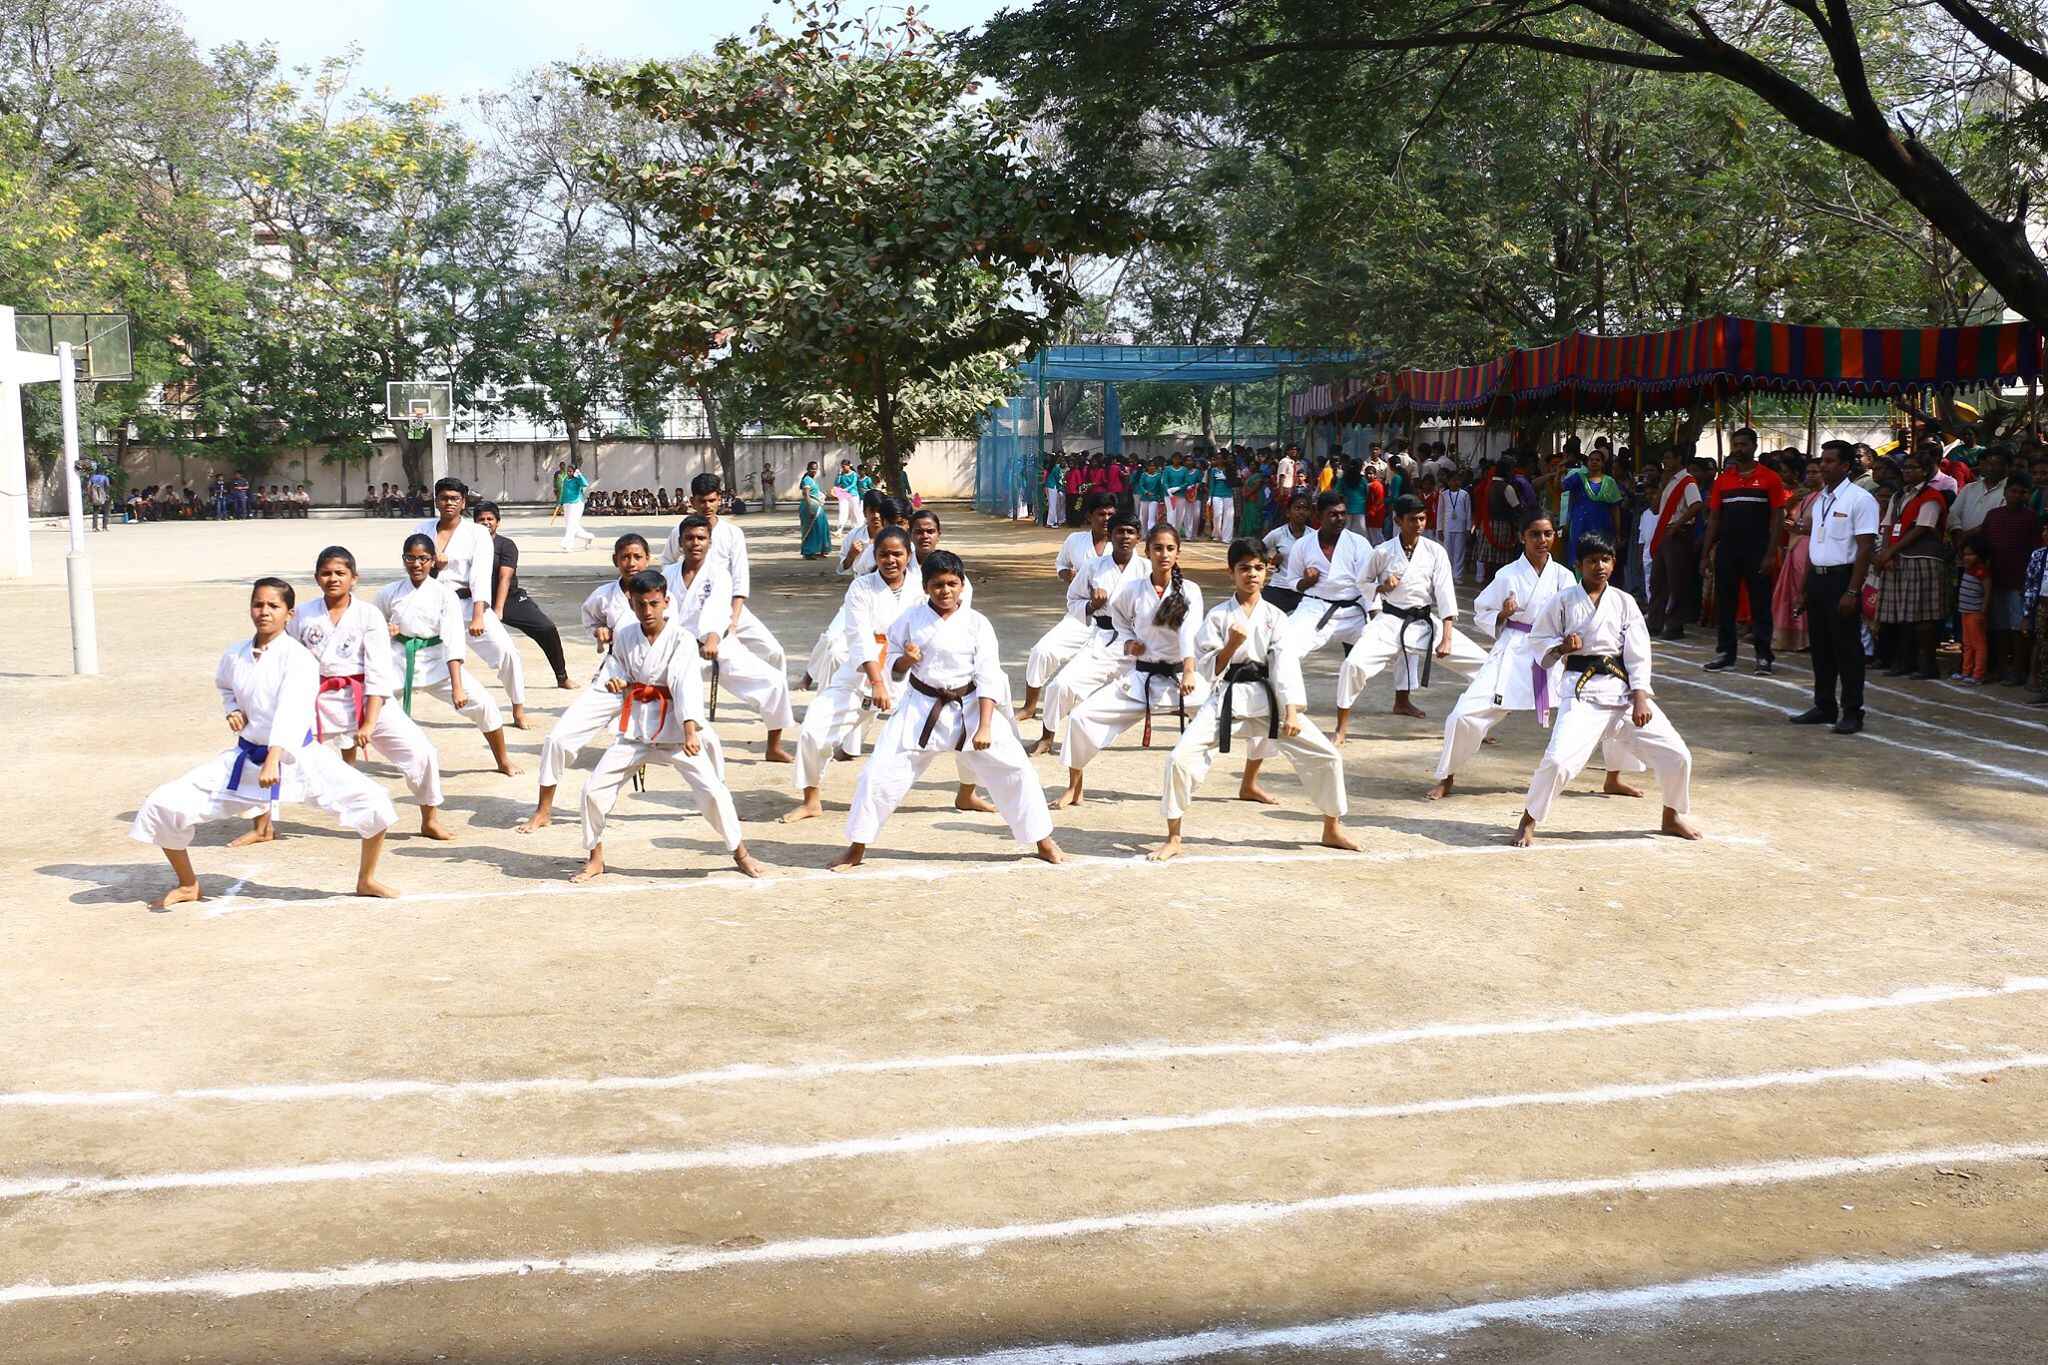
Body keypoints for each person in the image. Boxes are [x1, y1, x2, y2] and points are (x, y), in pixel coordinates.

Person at [130, 578, 399, 909]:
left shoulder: (299, 658)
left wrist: (274, 757)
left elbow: (293, 709)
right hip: (245, 760)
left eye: (274, 606)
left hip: (298, 759)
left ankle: (366, 879)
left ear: (290, 613)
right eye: (258, 605)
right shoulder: (235, 654)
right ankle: (188, 884)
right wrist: (233, 711)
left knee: (374, 802)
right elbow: (225, 687)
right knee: (163, 804)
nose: (264, 612)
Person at [831, 550, 1063, 872]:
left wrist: (985, 726)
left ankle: (1042, 840)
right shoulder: (910, 620)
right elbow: (892, 667)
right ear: (925, 587)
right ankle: (856, 847)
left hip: (970, 708)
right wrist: (906, 661)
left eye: (952, 583)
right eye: (938, 584)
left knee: (1016, 771)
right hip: (920, 708)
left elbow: (988, 675)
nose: (945, 591)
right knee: (878, 775)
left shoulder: (977, 623)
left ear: (963, 585)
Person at [1149, 537, 1356, 862]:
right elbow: (1207, 669)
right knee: (1178, 759)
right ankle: (1174, 836)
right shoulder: (1219, 616)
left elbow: (1285, 664)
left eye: (1259, 568)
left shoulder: (1276, 616)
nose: (1252, 574)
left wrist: (1290, 710)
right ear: (1232, 572)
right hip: (1226, 697)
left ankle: (1331, 827)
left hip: (1268, 698)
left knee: (1327, 755)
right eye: (1244, 568)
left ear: (1267, 572)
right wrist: (1231, 645)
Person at [568, 569, 763, 882]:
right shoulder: (626, 635)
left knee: (713, 791)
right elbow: (613, 669)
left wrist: (689, 731)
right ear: (631, 604)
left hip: (676, 729)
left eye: (654, 604)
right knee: (593, 790)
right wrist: (614, 681)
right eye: (641, 604)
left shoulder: (682, 640)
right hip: (635, 729)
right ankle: (595, 857)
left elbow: (685, 684)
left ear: (666, 602)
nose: (647, 611)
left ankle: (740, 852)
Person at [1513, 534, 1699, 848]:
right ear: (1578, 566)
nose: (1600, 566)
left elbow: (1638, 653)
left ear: (1613, 563)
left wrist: (1641, 697)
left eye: (1606, 560)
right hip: (1583, 695)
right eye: (1592, 561)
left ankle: (1671, 815)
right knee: (1558, 761)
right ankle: (1528, 818)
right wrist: (1561, 647)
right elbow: (1538, 642)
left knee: (1677, 755)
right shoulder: (1562, 601)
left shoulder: (1625, 602)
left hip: (1623, 693)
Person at [290, 547, 452, 842]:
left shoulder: (369, 615)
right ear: (316, 578)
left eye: (340, 573)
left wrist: (369, 721)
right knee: (274, 750)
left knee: (422, 752)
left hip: (366, 697)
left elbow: (379, 672)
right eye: (326, 573)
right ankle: (262, 825)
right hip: (319, 699)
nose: (333, 579)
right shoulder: (302, 614)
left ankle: (429, 818)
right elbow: (288, 658)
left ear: (354, 578)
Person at [519, 535, 663, 834]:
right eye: (625, 557)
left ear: (648, 559)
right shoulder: (604, 595)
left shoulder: (663, 593)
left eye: (637, 557)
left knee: (701, 747)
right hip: (613, 676)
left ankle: (720, 809)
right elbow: (591, 620)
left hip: (657, 685)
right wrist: (599, 631)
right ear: (615, 561)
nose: (631, 563)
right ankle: (543, 809)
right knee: (558, 739)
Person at [1051, 524, 1203, 807]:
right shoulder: (1134, 590)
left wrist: (1191, 670)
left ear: (1178, 553)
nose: (1164, 554)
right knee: (1080, 718)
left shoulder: (1190, 591)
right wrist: (1129, 642)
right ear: (1148, 551)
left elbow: (1189, 632)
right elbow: (1120, 622)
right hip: (1141, 677)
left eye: (1170, 549)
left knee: (1237, 714)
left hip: (1182, 678)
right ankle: (1075, 786)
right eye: (1158, 548)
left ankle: (1246, 780)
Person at [786, 527, 925, 821]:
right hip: (861, 675)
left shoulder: (921, 588)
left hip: (908, 676)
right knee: (813, 732)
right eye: (883, 554)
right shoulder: (861, 588)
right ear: (874, 556)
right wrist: (876, 682)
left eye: (897, 554)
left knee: (961, 729)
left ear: (908, 556)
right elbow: (860, 637)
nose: (890, 560)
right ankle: (811, 799)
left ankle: (967, 790)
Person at [1332, 494, 1489, 738]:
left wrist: (1446, 637)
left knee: (1484, 664)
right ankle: (1341, 727)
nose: (1419, 524)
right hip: (1389, 622)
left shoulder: (1435, 551)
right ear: (1398, 520)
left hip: (1425, 623)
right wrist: (1382, 587)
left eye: (1423, 518)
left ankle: (1477, 723)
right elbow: (1362, 582)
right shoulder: (1382, 551)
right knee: (1353, 665)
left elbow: (1446, 594)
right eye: (1412, 519)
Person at [375, 533, 520, 776]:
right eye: (410, 558)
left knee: (485, 705)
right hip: (398, 660)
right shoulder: (389, 592)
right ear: (403, 560)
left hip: (437, 661)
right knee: (363, 705)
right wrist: (385, 630)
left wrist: (457, 686)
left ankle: (503, 760)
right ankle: (349, 764)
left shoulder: (445, 595)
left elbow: (453, 641)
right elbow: (373, 627)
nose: (417, 564)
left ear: (433, 561)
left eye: (423, 558)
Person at [662, 513, 796, 762]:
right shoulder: (668, 575)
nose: (695, 543)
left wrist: (712, 637)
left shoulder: (718, 574)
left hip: (719, 644)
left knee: (775, 681)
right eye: (689, 538)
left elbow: (716, 608)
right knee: (668, 687)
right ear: (680, 543)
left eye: (701, 538)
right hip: (678, 648)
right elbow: (664, 612)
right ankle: (665, 742)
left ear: (709, 542)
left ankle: (773, 747)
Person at [415, 478, 530, 728]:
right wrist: (436, 567)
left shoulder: (477, 533)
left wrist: (479, 615)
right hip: (434, 606)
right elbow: (415, 569)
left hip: (469, 605)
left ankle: (518, 708)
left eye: (454, 498)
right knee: (406, 652)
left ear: (463, 502)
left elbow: (480, 575)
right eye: (443, 498)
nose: (448, 503)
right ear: (436, 501)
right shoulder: (422, 529)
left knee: (508, 653)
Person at [1021, 511, 1145, 729]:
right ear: (1112, 535)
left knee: (1173, 686)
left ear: (1138, 537)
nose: (1125, 537)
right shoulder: (1094, 566)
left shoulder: (1148, 569)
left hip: (1138, 641)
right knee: (1060, 685)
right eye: (1119, 532)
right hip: (1102, 635)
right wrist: (1091, 605)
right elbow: (1073, 600)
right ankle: (1046, 735)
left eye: (1130, 532)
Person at [1701, 428, 1789, 674]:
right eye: (1735, 444)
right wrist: (1705, 553)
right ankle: (1726, 653)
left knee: (1760, 603)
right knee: (1725, 603)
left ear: (1754, 446)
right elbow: (1715, 519)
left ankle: (1763, 656)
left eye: (1743, 444)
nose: (1738, 449)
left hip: (1758, 549)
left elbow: (1777, 518)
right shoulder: (1723, 480)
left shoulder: (1770, 478)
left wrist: (1771, 553)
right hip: (1728, 549)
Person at [475, 501, 572, 691]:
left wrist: (499, 610)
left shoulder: (506, 545)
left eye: (490, 519)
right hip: (477, 599)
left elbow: (505, 577)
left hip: (509, 599)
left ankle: (562, 676)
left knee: (546, 628)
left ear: (498, 522)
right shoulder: (468, 544)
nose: (486, 522)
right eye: (481, 520)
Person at [1873, 450, 1950, 679]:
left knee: (1923, 616)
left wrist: (1889, 552)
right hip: (1899, 558)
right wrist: (1886, 552)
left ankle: (1927, 664)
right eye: (1905, 468)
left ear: (1925, 471)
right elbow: (1888, 526)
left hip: (1922, 558)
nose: (1907, 471)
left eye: (1913, 468)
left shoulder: (1932, 497)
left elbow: (1922, 528)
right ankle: (1904, 660)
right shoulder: (1898, 496)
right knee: (1902, 614)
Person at [1282, 490, 1375, 668]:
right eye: (1333, 514)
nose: (1340, 519)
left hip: (1354, 610)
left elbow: (1370, 585)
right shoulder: (1303, 545)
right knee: (1284, 648)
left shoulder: (1359, 543)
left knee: (1394, 646)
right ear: (1318, 515)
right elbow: (1293, 582)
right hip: (1315, 607)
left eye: (1342, 513)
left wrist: (1377, 620)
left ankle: (1402, 694)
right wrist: (1306, 582)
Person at [1982, 473, 2039, 686]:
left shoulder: (2030, 517)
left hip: (2020, 580)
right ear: (2005, 493)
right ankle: (2000, 668)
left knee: (2019, 628)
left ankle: (2018, 670)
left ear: (2027, 495)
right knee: (1999, 627)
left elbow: (2035, 550)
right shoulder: (1993, 515)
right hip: (1995, 578)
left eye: (2021, 492)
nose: (2016, 495)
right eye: (2013, 491)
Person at [1770, 462, 1825, 654]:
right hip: (1795, 548)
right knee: (1788, 593)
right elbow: (1789, 519)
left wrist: (1800, 529)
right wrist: (1791, 505)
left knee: (1805, 591)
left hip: (1810, 549)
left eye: (1815, 472)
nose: (1810, 476)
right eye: (1808, 472)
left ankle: (1808, 638)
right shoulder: (1806, 497)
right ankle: (1791, 638)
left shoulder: (1826, 498)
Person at [1560, 446, 1625, 566]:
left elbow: (1615, 508)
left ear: (1603, 464)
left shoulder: (1609, 482)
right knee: (1579, 560)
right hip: (1580, 526)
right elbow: (1561, 487)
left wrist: (1618, 533)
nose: (1594, 462)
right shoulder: (1579, 478)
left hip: (1602, 527)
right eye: (1591, 460)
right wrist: (1561, 469)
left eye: (1597, 460)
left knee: (1600, 558)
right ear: (1587, 462)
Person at [1954, 536, 1992, 684]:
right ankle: (1966, 671)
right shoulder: (1968, 569)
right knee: (1967, 643)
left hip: (1975, 612)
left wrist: (1984, 609)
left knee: (1978, 644)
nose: (1967, 557)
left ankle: (1978, 674)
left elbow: (1988, 590)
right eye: (1965, 554)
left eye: (1971, 554)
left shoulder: (1981, 571)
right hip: (1965, 611)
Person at [797, 460, 833, 559]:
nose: (814, 471)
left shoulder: (812, 480)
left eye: (815, 469)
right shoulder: (807, 480)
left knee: (821, 528)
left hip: (817, 507)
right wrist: (810, 509)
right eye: (812, 469)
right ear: (808, 469)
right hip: (810, 507)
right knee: (811, 530)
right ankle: (808, 552)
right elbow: (806, 495)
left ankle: (820, 549)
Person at [558, 463, 594, 551]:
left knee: (571, 525)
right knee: (572, 526)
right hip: (567, 503)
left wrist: (579, 475)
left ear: (574, 472)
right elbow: (563, 492)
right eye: (568, 471)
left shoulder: (577, 479)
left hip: (576, 504)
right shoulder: (566, 480)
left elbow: (585, 484)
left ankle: (568, 544)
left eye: (570, 471)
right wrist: (560, 502)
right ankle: (589, 537)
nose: (569, 473)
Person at [87, 466, 112, 531]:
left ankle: (94, 527)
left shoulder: (92, 477)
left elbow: (88, 487)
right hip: (104, 496)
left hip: (95, 496)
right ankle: (104, 527)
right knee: (106, 511)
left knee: (95, 511)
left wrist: (90, 496)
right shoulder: (105, 477)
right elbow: (107, 486)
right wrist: (107, 495)